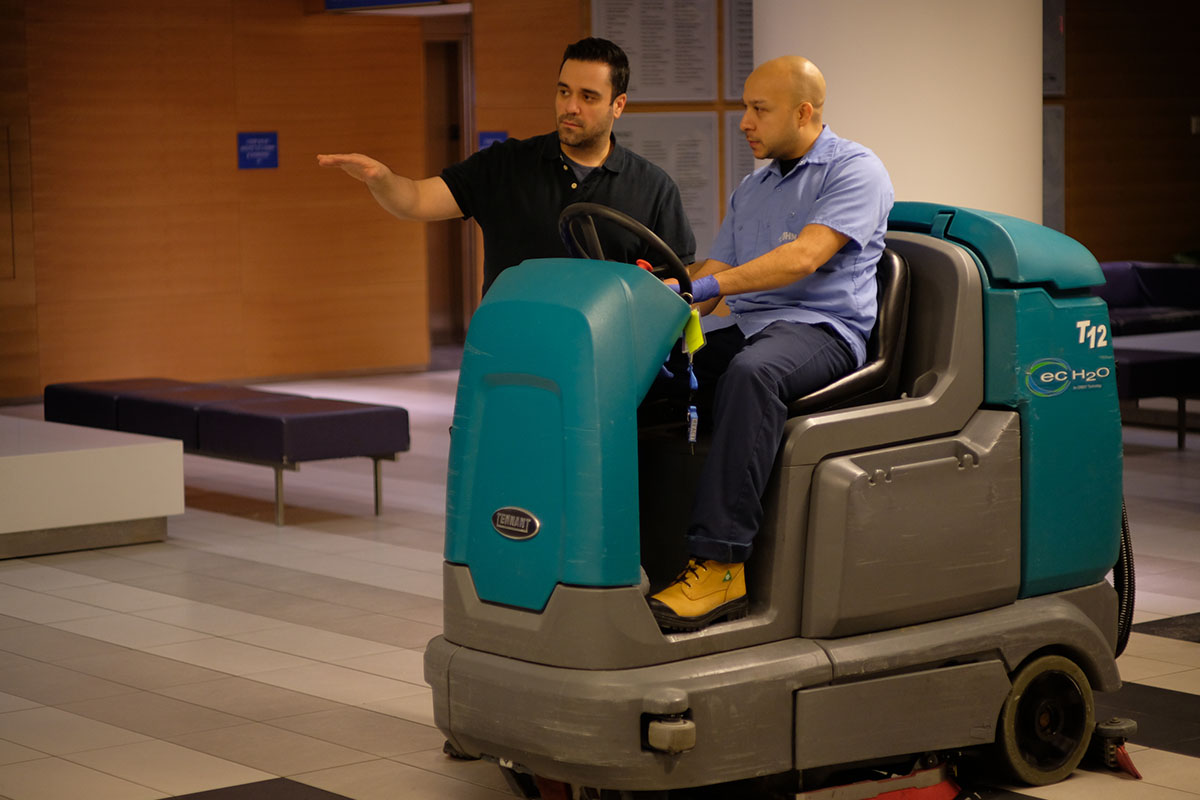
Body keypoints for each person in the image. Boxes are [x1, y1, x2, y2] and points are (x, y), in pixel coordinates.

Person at [647, 56, 894, 632]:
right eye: (744, 108)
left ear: (804, 113)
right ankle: (629, 540)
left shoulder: (855, 170)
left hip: (824, 331)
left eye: (759, 110)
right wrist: (660, 301)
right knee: (653, 375)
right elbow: (713, 273)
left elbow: (802, 258)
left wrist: (704, 286)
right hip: (757, 330)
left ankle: (720, 566)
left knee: (752, 375)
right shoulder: (753, 188)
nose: (744, 123)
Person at [318, 37, 695, 296]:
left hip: (606, 359)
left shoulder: (654, 188)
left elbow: (676, 288)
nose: (570, 107)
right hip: (510, 347)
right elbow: (415, 200)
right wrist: (382, 180)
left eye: (588, 96)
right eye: (564, 91)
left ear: (618, 105)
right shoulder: (505, 165)